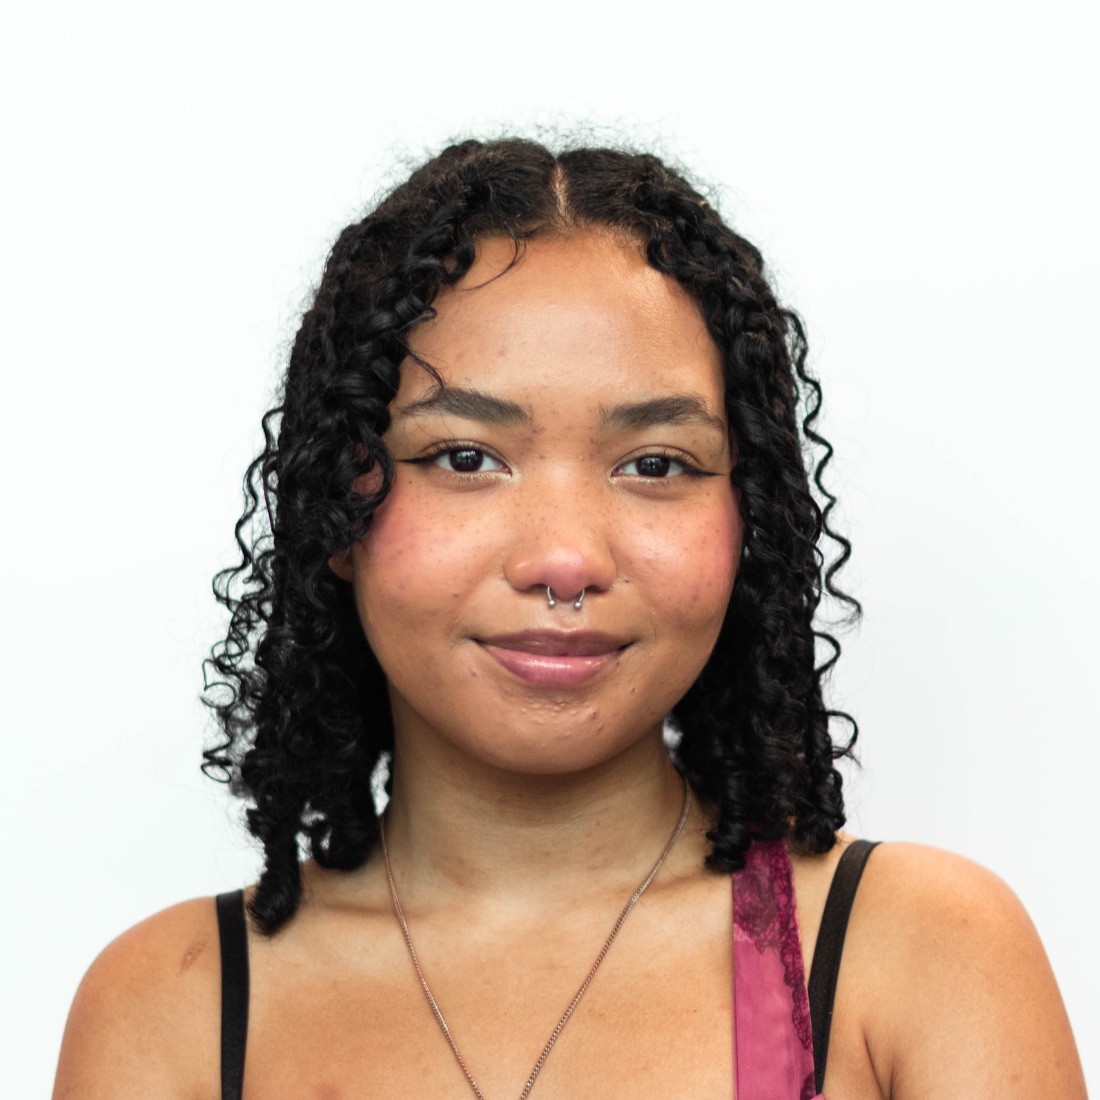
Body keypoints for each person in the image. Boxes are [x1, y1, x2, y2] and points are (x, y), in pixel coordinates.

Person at [53, 139, 1087, 1099]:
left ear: (749, 516)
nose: (564, 556)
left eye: (654, 464)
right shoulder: (173, 1010)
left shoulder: (903, 960)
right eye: (463, 457)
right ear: (337, 501)